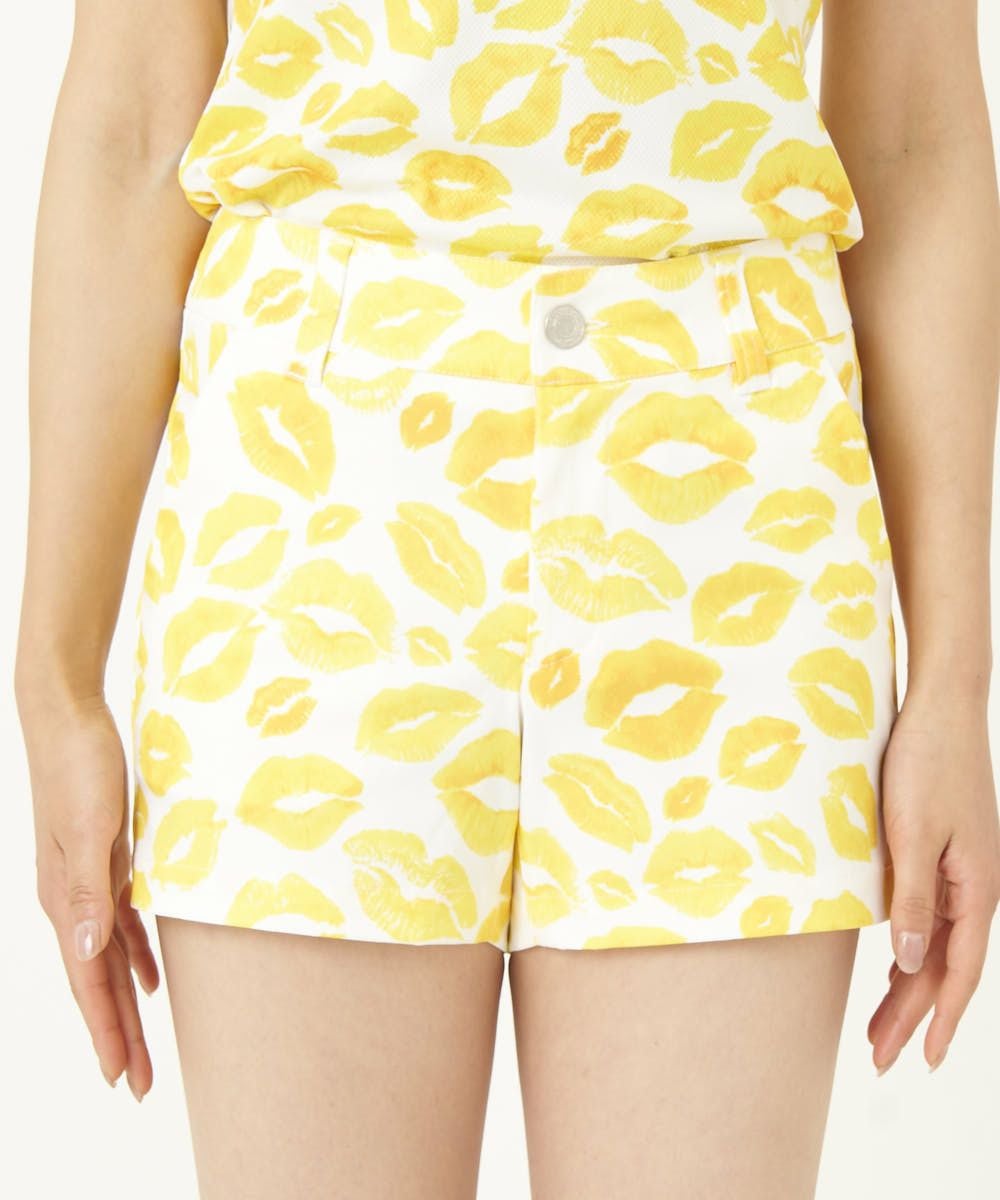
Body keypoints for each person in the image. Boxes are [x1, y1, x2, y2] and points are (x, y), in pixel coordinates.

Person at [14, 1, 1000, 1196]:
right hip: (307, 509)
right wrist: (55, 680)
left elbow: (912, 135)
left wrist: (954, 681)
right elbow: (132, 124)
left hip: (735, 520)